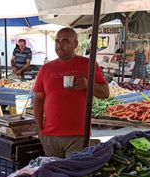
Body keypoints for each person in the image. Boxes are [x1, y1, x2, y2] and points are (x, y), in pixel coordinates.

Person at [33, 27, 110, 158]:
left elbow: (105, 93)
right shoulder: (46, 68)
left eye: (65, 41)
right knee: (54, 175)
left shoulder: (88, 64)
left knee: (73, 175)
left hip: (78, 135)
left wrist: (87, 84)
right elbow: (38, 99)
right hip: (51, 137)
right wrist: (40, 129)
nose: (59, 45)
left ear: (75, 44)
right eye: (57, 41)